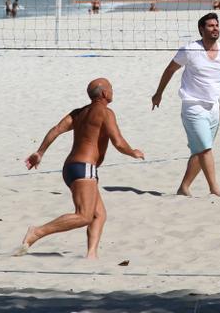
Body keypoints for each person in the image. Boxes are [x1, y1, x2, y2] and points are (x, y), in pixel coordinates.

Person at [15, 78, 145, 258]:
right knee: (84, 215)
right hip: (85, 168)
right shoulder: (106, 113)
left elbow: (56, 129)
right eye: (111, 89)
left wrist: (40, 152)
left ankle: (91, 254)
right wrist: (133, 152)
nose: (113, 91)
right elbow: (118, 142)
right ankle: (37, 232)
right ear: (104, 93)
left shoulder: (78, 113)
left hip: (70, 168)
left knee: (99, 214)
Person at [151, 13, 220, 197]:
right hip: (192, 105)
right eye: (210, 26)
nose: (215, 28)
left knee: (200, 150)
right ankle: (214, 189)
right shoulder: (190, 50)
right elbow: (170, 69)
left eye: (216, 25)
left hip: (214, 107)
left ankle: (184, 187)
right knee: (206, 148)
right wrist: (158, 93)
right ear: (201, 29)